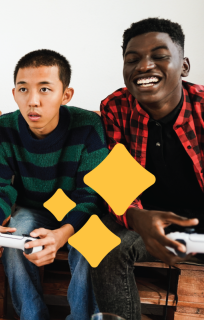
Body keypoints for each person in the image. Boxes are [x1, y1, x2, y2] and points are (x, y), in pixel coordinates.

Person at [0, 49, 108, 320]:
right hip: (32, 208)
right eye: (23, 89)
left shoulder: (87, 125)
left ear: (66, 95)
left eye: (45, 89)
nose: (33, 101)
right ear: (14, 93)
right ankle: (32, 316)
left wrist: (62, 235)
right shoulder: (5, 128)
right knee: (16, 241)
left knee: (93, 245)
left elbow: (92, 196)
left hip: (78, 211)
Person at [91, 17, 204, 320]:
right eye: (133, 59)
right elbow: (114, 182)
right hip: (147, 222)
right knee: (101, 243)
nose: (144, 66)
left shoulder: (202, 107)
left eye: (160, 56)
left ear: (184, 66)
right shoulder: (115, 108)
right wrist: (137, 217)